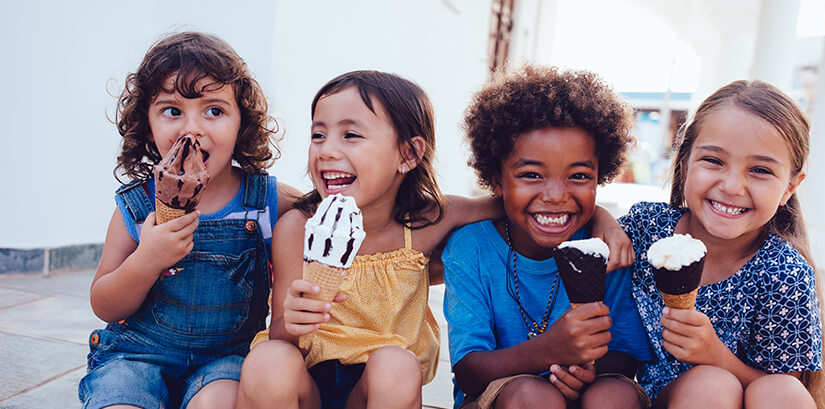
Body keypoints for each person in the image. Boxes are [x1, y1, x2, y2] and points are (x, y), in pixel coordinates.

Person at [235, 70, 634, 409]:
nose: (327, 150)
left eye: (350, 135)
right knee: (269, 358)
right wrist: (295, 319)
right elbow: (283, 336)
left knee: (396, 363)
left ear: (408, 155)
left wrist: (601, 218)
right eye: (318, 135)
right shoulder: (298, 227)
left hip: (379, 386)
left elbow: (518, 203)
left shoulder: (428, 222)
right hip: (306, 383)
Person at [78, 32, 297, 409]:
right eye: (172, 110)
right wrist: (146, 260)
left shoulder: (266, 201)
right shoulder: (137, 206)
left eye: (214, 110)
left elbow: (329, 209)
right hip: (136, 356)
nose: (191, 128)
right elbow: (104, 304)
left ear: (241, 122)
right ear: (147, 125)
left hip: (224, 362)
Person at [442, 65, 654, 409]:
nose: (555, 195)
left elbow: (626, 358)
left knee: (615, 394)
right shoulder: (471, 249)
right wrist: (548, 350)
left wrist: (582, 369)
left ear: (600, 177)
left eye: (579, 175)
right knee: (533, 397)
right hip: (502, 396)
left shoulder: (608, 250)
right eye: (531, 174)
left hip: (585, 390)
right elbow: (469, 372)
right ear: (497, 179)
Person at [619, 80, 825, 409]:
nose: (733, 186)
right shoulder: (646, 228)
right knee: (712, 386)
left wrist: (715, 356)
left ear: (790, 187)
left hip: (737, 396)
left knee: (777, 391)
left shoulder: (785, 273)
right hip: (650, 399)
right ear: (684, 163)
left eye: (760, 170)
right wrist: (601, 220)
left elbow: (782, 388)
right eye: (713, 161)